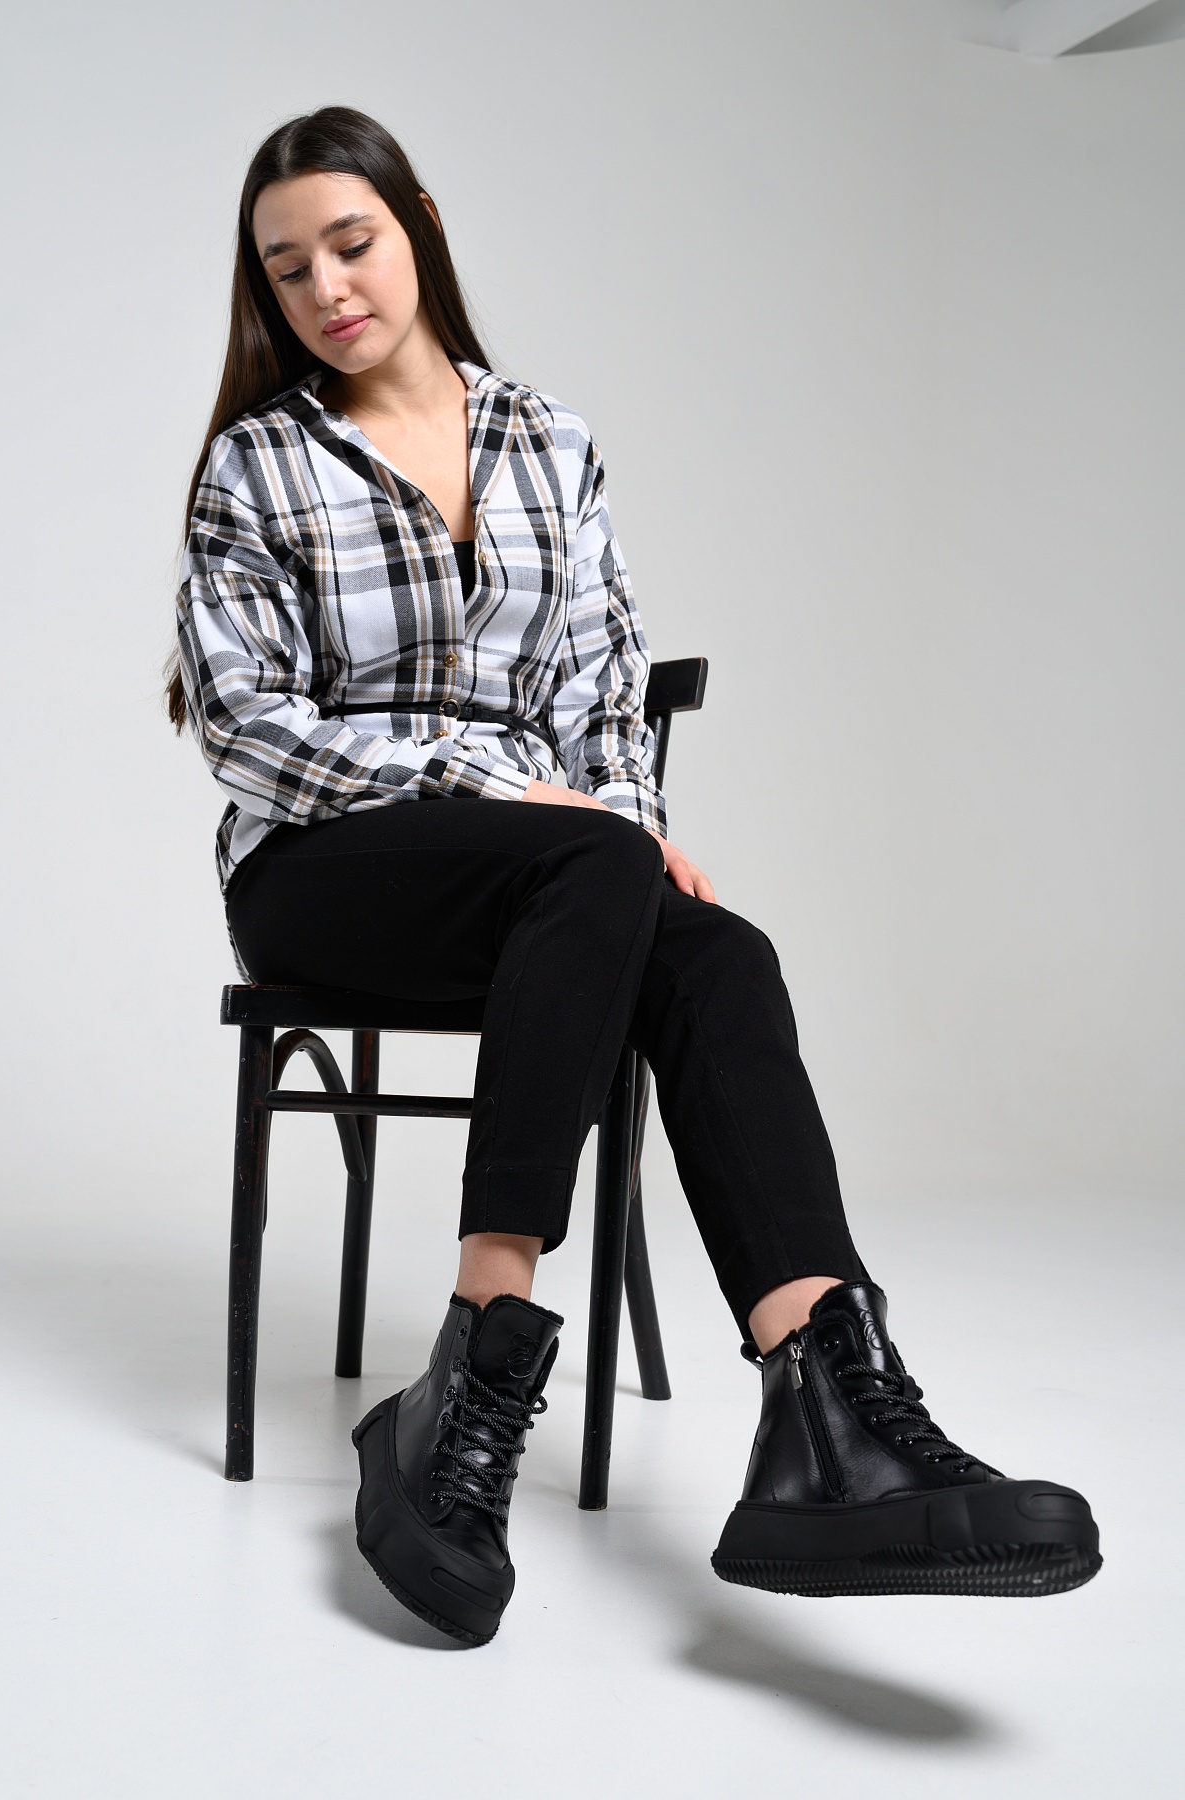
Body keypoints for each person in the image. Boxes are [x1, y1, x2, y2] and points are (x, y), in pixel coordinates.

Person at [170, 106, 1100, 1646]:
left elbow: (604, 697)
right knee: (596, 859)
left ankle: (829, 1410)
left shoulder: (549, 439)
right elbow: (244, 725)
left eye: (351, 243)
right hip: (329, 865)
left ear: (419, 229)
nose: (326, 288)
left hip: (549, 877)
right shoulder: (256, 464)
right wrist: (506, 790)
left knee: (721, 953)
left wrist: (613, 816)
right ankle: (478, 1349)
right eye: (287, 268)